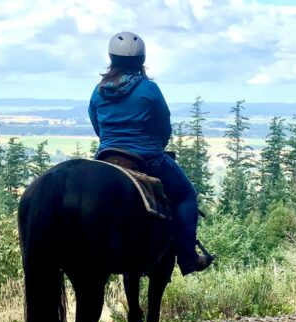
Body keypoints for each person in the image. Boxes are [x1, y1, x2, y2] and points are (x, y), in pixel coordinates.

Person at [88, 32, 214, 275]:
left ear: (111, 58)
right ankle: (188, 257)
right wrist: (158, 145)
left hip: (106, 159)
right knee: (186, 194)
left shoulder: (98, 90)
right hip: (147, 158)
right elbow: (164, 125)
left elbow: (97, 127)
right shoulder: (149, 89)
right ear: (141, 59)